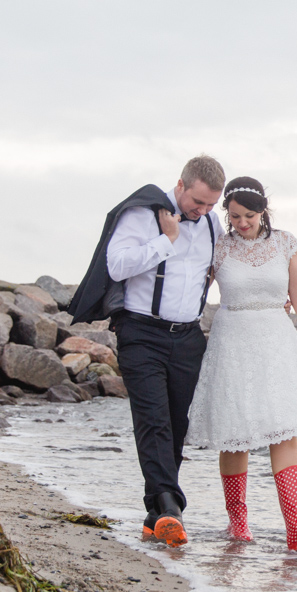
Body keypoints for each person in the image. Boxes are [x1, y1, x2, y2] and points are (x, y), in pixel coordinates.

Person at [186, 176, 297, 551]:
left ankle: (296, 528)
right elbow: (192, 292)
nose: (242, 223)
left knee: (284, 430)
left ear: (264, 212)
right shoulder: (219, 248)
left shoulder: (286, 244)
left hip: (276, 343)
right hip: (232, 340)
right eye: (235, 216)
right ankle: (238, 525)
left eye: (250, 216)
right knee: (234, 434)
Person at [105, 155, 226, 547]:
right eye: (198, 203)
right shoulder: (143, 214)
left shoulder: (211, 222)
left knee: (175, 426)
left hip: (188, 336)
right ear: (181, 185)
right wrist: (166, 239)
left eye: (210, 205)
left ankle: (155, 515)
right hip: (141, 331)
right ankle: (172, 508)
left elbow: (223, 267)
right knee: (153, 420)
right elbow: (116, 265)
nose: (203, 211)